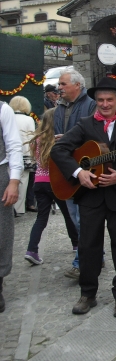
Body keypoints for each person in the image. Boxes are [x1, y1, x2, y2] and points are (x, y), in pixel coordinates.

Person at [51, 77, 116, 317]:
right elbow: (59, 150)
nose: (104, 104)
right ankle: (88, 293)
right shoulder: (84, 126)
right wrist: (78, 171)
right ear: (95, 101)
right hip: (89, 197)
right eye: (100, 100)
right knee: (88, 246)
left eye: (109, 100)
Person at [54, 67, 97, 280]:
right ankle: (95, 254)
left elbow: (94, 136)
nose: (59, 88)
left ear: (77, 85)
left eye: (63, 84)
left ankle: (82, 261)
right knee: (73, 217)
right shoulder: (59, 106)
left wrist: (69, 139)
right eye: (59, 84)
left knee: (82, 220)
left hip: (84, 167)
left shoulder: (90, 105)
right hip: (65, 167)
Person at [24, 108, 78, 265]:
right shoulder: (58, 140)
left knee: (41, 217)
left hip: (39, 182)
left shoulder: (38, 139)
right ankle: (76, 243)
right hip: (54, 182)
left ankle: (31, 249)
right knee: (68, 214)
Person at [0, 101, 23, 313]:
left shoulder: (2, 109)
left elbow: (14, 145)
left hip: (0, 172)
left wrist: (14, 181)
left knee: (1, 231)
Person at [8, 96, 36, 216]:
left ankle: (9, 208)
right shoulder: (29, 119)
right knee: (23, 181)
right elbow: (32, 139)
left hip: (9, 154)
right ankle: (19, 208)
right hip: (25, 153)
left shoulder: (9, 118)